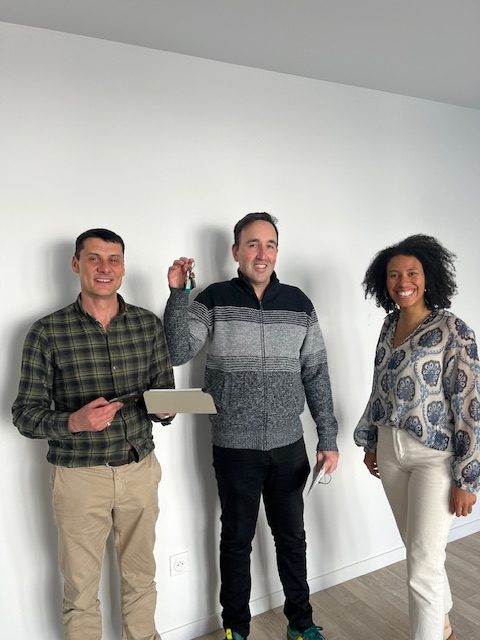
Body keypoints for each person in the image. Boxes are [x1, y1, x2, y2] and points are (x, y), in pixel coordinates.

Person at [164, 212, 339, 640]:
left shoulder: (298, 303)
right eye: (253, 244)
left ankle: (301, 624)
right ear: (236, 251)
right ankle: (236, 629)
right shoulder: (214, 298)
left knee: (292, 539)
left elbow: (316, 372)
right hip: (234, 445)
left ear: (277, 251)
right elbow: (177, 351)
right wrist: (178, 296)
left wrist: (328, 436)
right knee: (236, 540)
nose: (262, 254)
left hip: (289, 445)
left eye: (270, 245)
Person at [12, 228, 175, 640]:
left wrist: (166, 409)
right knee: (81, 591)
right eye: (94, 258)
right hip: (79, 477)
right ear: (76, 264)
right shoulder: (46, 332)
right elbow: (24, 415)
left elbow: (164, 394)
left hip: (139, 470)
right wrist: (74, 422)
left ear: (123, 267)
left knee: (141, 578)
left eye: (113, 259)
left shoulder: (147, 325)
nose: (105, 268)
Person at [354, 234, 479, 640]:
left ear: (428, 278)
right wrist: (371, 441)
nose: (402, 282)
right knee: (420, 550)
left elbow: (469, 406)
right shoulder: (389, 325)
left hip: (434, 458)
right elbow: (380, 387)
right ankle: (443, 627)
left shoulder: (453, 330)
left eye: (412, 273)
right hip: (390, 452)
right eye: (394, 275)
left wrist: (467, 479)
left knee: (422, 563)